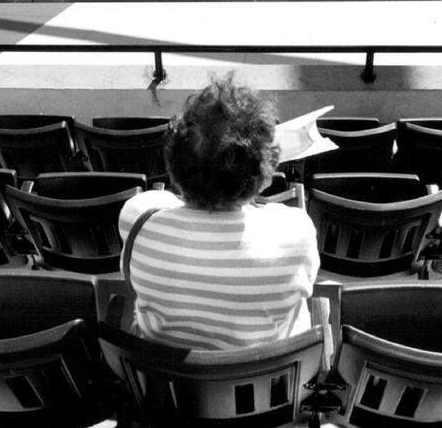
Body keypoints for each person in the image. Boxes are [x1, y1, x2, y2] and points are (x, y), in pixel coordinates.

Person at [117, 75, 319, 350]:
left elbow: (162, 201)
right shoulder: (296, 230)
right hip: (263, 383)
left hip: (167, 384)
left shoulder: (138, 218)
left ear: (174, 168)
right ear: (265, 177)